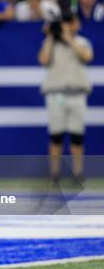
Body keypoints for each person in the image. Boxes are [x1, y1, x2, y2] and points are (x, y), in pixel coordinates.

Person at [38, 13, 93, 185]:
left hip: (77, 94)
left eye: (72, 22)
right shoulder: (51, 43)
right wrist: (49, 36)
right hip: (56, 95)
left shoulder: (82, 41)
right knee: (56, 136)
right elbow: (43, 60)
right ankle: (54, 174)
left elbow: (86, 57)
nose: (70, 25)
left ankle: (77, 172)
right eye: (66, 23)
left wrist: (68, 37)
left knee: (77, 136)